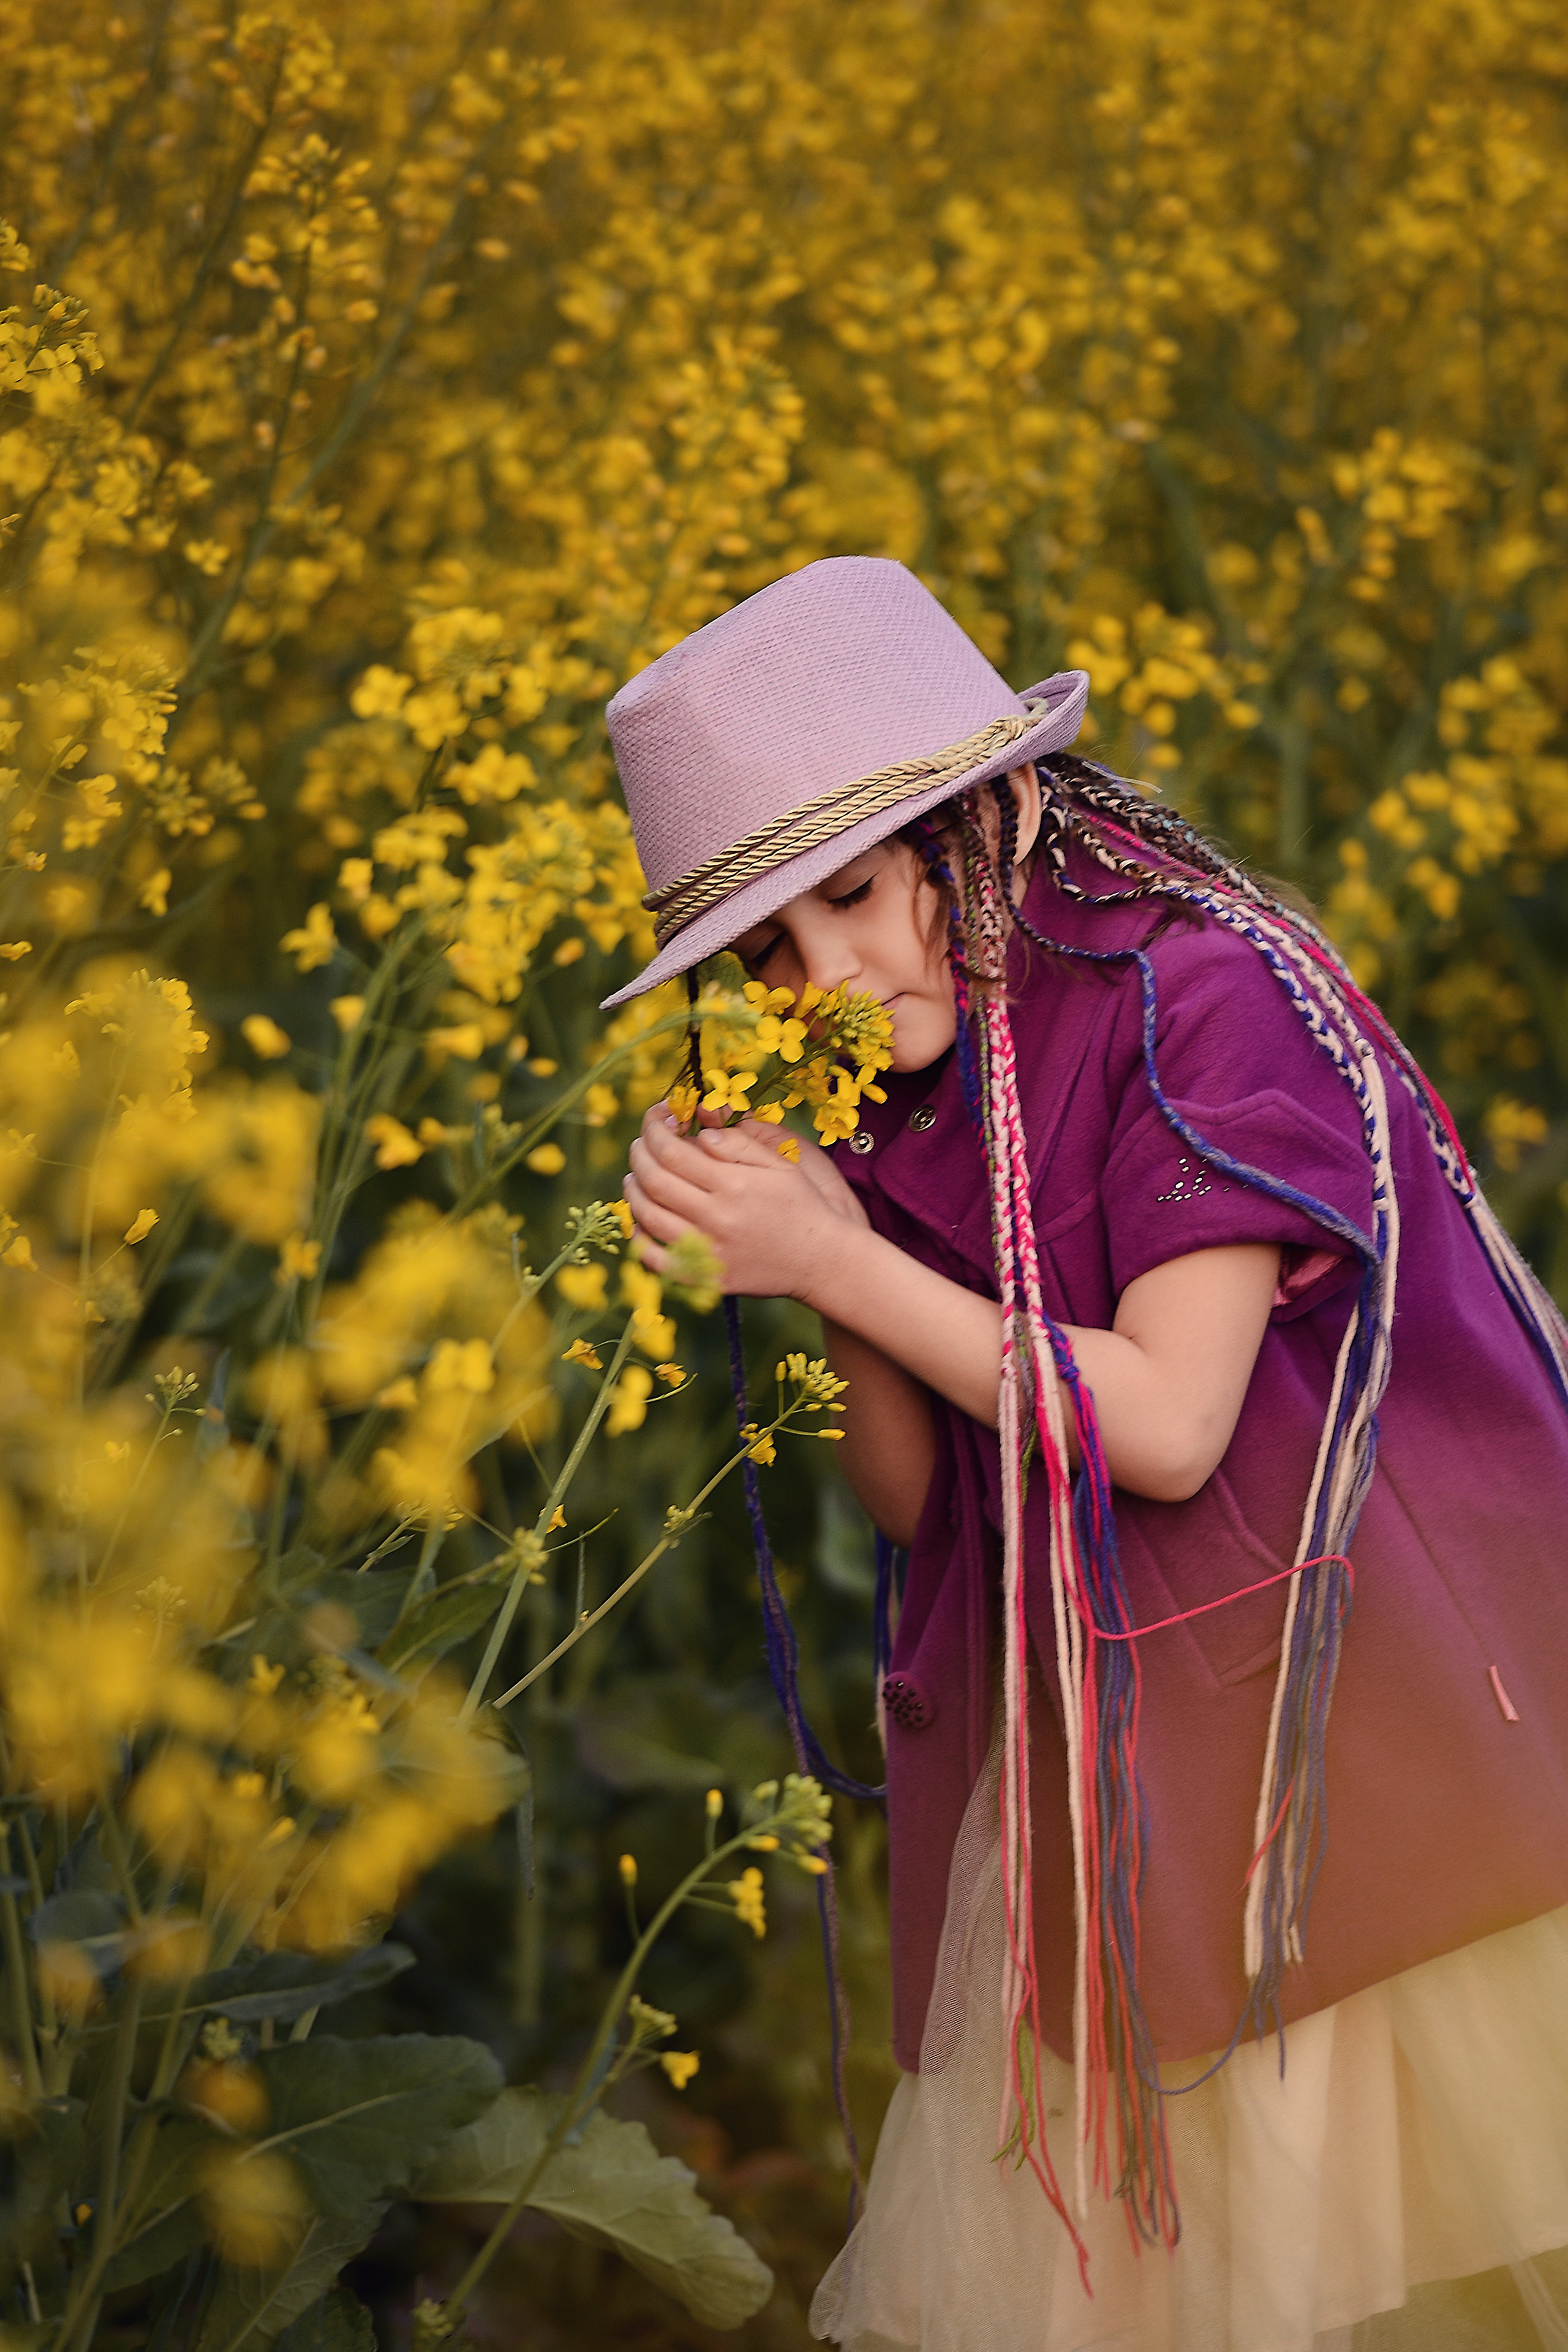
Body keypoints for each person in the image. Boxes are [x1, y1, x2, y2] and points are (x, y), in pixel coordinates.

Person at [607, 556, 1568, 2351]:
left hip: (1350, 1752)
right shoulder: (898, 1071)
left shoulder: (1195, 994)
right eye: (766, 953)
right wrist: (818, 1226)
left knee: (1430, 2286)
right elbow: (921, 1503)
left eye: (858, 896)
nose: (825, 980)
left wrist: (839, 1258)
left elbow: (1172, 1424)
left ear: (1002, 811)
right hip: (1119, 1792)